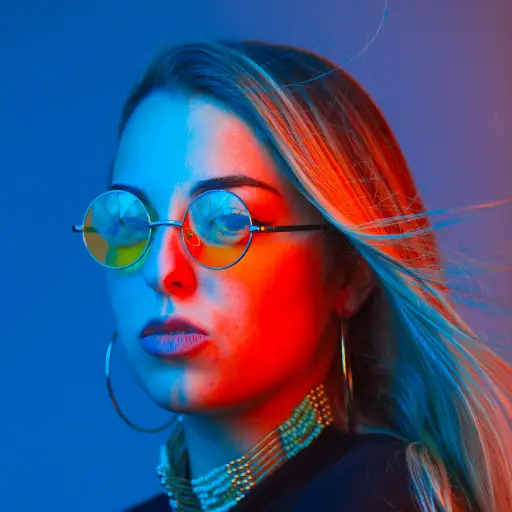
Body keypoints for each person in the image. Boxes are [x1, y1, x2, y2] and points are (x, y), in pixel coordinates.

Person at [72, 40, 512, 511]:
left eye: (228, 221)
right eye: (130, 223)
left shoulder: (382, 497)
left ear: (348, 269)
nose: (161, 271)